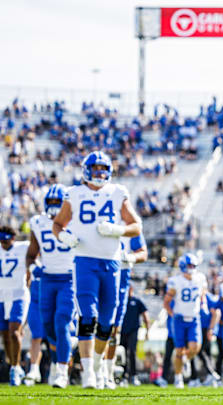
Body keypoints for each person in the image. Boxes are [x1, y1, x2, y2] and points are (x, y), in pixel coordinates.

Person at [52, 150, 143, 389]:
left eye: (104, 169)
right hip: (84, 261)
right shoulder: (74, 193)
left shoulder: (117, 192)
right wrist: (64, 237)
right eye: (96, 169)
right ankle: (87, 375)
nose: (100, 173)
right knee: (87, 318)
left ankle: (97, 365)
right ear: (86, 170)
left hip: (111, 263)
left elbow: (136, 226)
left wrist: (118, 230)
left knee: (106, 323)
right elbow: (57, 224)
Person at [104, 233, 147, 389]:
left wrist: (130, 258)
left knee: (114, 331)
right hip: (100, 274)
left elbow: (143, 252)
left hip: (119, 279)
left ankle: (108, 373)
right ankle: (95, 370)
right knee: (99, 328)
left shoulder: (130, 224)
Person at [163, 253, 208, 389]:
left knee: (195, 347)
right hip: (179, 318)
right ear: (183, 266)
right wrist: (173, 314)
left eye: (193, 266)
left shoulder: (200, 278)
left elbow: (203, 293)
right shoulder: (175, 281)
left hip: (194, 318)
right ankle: (178, 378)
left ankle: (185, 360)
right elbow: (166, 302)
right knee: (179, 350)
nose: (191, 268)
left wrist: (203, 304)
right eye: (189, 265)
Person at [0, 225, 31, 386]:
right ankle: (14, 364)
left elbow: (33, 259)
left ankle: (16, 367)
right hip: (1, 296)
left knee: (14, 333)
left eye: (6, 241)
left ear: (13, 238)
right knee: (5, 335)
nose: (4, 244)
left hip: (18, 294)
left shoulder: (23, 248)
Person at [120, 285, 150, 386]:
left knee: (132, 352)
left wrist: (147, 330)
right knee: (122, 354)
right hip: (122, 331)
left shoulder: (136, 301)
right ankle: (123, 376)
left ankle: (133, 375)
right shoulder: (120, 301)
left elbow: (145, 315)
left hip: (133, 330)